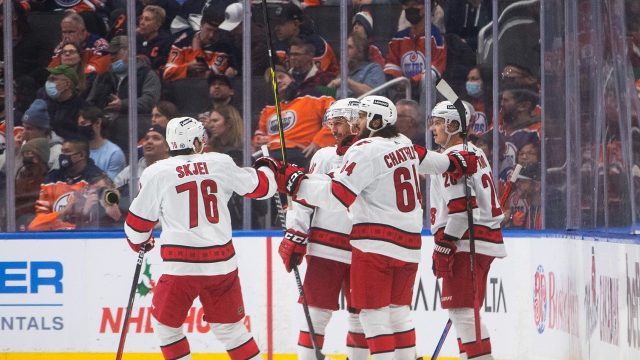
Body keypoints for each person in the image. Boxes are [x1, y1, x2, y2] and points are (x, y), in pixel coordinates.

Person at [262, 95, 476, 359]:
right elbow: (431, 160)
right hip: (390, 245)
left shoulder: (364, 150)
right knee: (392, 314)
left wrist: (294, 181)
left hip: (371, 244)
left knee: (368, 317)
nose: (347, 126)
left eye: (355, 119)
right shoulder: (402, 143)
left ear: (372, 121)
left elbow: (337, 195)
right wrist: (455, 162)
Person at [124, 116, 277, 360]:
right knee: (231, 330)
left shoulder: (157, 172)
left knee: (167, 328)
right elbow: (262, 188)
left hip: (180, 266)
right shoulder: (220, 162)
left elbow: (136, 224)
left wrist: (140, 241)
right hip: (222, 264)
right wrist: (268, 167)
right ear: (196, 141)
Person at [279, 98, 369, 360]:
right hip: (325, 246)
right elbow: (305, 199)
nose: (333, 129)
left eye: (339, 123)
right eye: (332, 123)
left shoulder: (372, 154)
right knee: (316, 313)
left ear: (355, 123)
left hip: (362, 246)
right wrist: (296, 236)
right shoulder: (325, 155)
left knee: (360, 315)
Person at [427, 100, 507, 360]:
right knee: (463, 311)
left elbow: (463, 210)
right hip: (478, 239)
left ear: (452, 125)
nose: (433, 129)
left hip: (466, 241)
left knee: (463, 312)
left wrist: (445, 244)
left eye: (438, 123)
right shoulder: (472, 150)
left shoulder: (452, 158)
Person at [254, 65, 334, 168]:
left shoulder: (312, 98)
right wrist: (259, 140)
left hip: (300, 155)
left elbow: (336, 114)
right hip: (270, 156)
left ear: (291, 78)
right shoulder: (268, 111)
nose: (277, 81)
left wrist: (320, 141)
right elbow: (258, 136)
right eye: (273, 81)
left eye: (281, 77)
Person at [28, 138, 116, 231]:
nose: (62, 156)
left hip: (86, 240)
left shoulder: (98, 181)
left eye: (67, 152)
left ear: (81, 155)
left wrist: (85, 213)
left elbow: (113, 218)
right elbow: (35, 226)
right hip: (55, 240)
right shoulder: (51, 180)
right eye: (62, 151)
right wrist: (64, 212)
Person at [163, 7, 239, 81]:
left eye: (216, 32)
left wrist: (197, 49)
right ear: (201, 25)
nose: (211, 35)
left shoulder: (225, 47)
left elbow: (205, 77)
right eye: (208, 30)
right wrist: (188, 67)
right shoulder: (182, 42)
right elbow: (167, 73)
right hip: (180, 90)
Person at [384, 0, 447, 90]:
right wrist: (399, 81)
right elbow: (392, 66)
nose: (411, 8)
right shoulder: (398, 38)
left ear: (428, 7)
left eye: (416, 4)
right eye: (407, 4)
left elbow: (435, 70)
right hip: (402, 91)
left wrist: (412, 80)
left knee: (428, 77)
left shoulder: (437, 37)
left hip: (432, 93)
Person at [269, 2, 339, 75]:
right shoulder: (278, 44)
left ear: (295, 24)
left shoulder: (317, 44)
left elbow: (316, 78)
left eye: (281, 23)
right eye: (275, 23)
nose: (276, 28)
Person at [114, 124, 170, 209]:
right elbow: (112, 191)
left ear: (167, 147)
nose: (149, 141)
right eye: (146, 138)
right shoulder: (131, 170)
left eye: (156, 138)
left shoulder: (175, 169)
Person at [327, 33, 385, 99]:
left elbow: (373, 94)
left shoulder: (373, 69)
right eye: (344, 47)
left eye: (349, 47)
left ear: (360, 51)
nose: (344, 51)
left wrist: (346, 81)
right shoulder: (345, 72)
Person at [41, 64, 88, 141]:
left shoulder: (83, 109)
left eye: (53, 79)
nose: (49, 83)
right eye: (48, 79)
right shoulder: (46, 104)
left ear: (67, 84)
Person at [77, 106, 126, 180]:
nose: (81, 128)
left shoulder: (114, 153)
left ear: (97, 123)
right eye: (79, 125)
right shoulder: (78, 151)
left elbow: (111, 185)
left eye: (84, 123)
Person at [15, 138, 50, 230]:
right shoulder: (21, 176)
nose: (27, 158)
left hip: (37, 221)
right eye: (25, 154)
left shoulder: (48, 179)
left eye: (30, 154)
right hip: (16, 221)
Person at [20, 99, 63, 170]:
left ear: (43, 130)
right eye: (23, 127)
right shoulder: (22, 144)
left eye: (29, 128)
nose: (24, 132)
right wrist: (16, 152)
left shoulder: (58, 152)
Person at [137, 5, 174, 73]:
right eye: (141, 18)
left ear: (157, 25)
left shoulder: (167, 43)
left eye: (147, 19)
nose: (142, 22)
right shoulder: (135, 38)